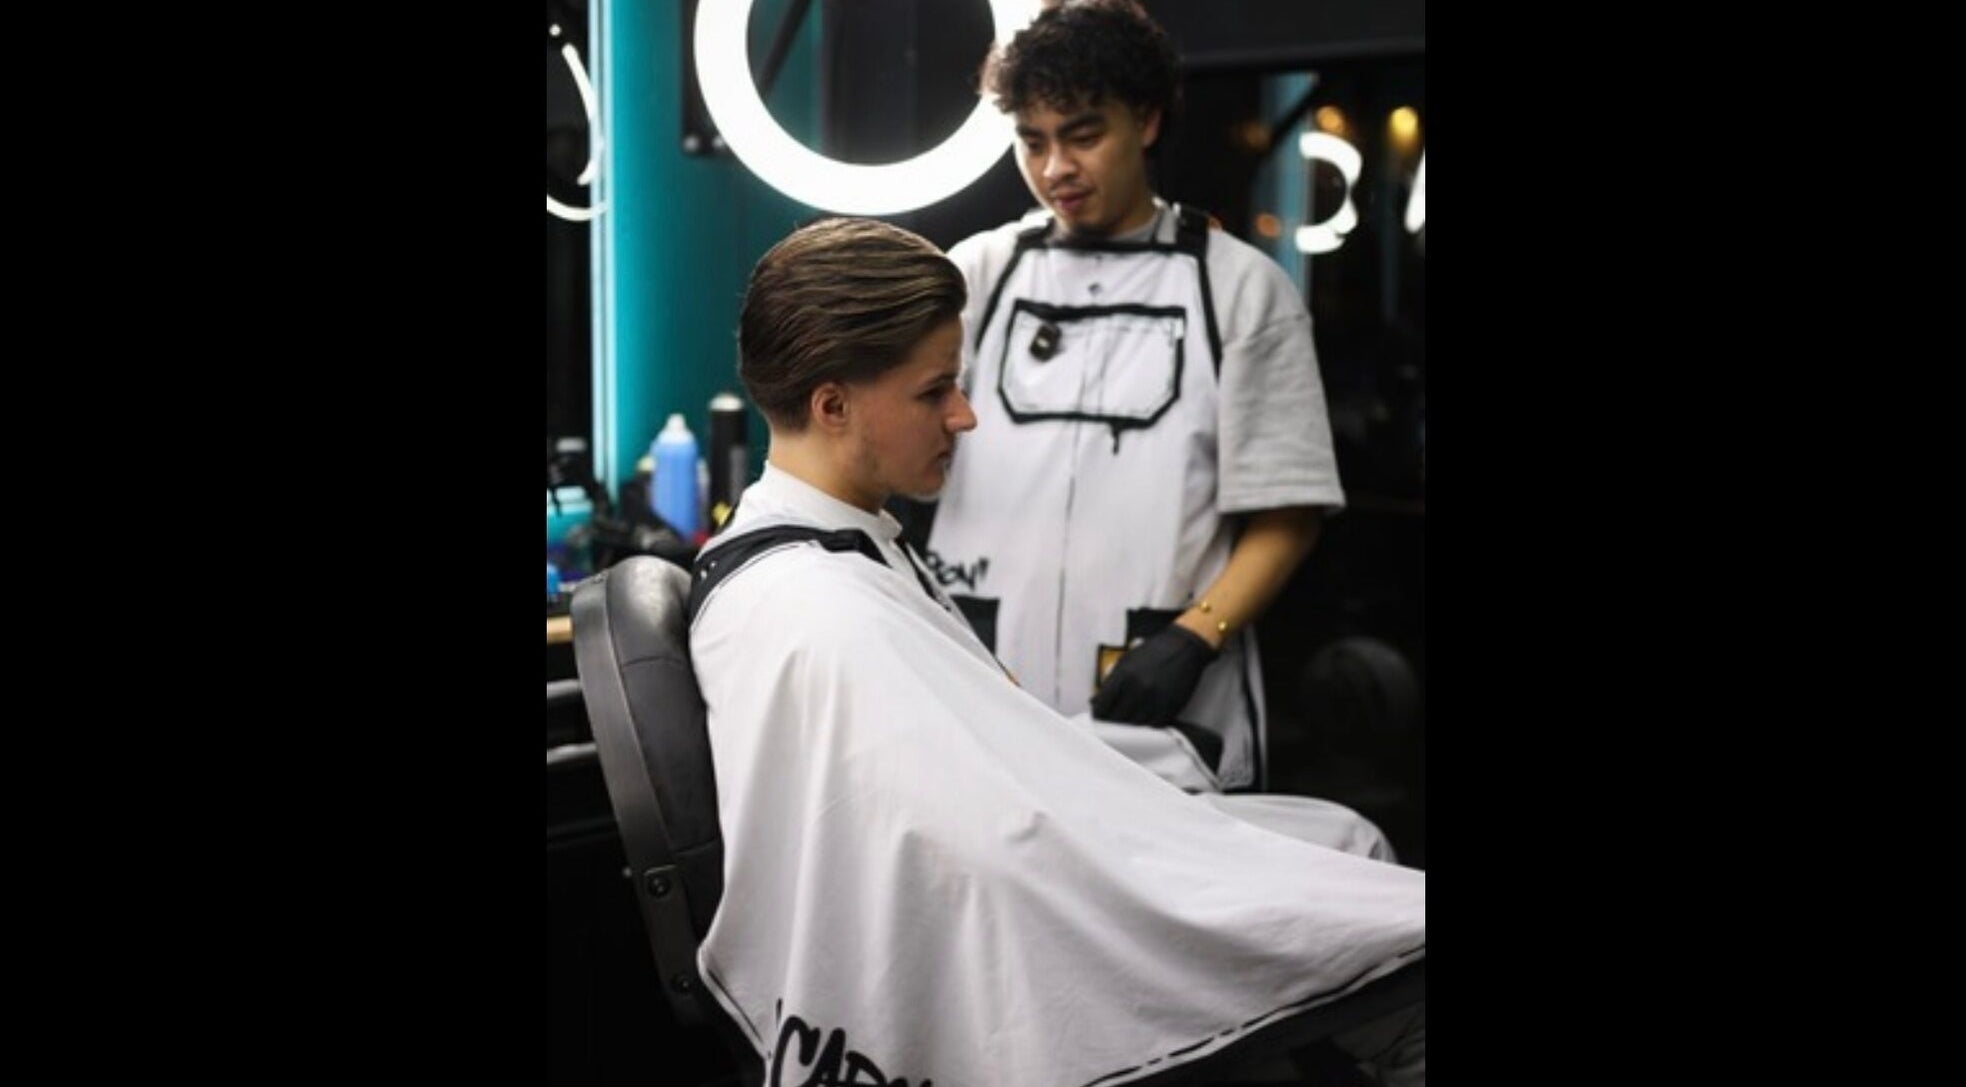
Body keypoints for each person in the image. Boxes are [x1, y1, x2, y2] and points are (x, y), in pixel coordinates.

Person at [688, 216, 1423, 1087]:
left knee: (1345, 843)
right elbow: (980, 856)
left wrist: (1128, 772)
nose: (965, 415)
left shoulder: (847, 549)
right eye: (934, 391)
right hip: (1041, 893)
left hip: (1052, 844)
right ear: (833, 405)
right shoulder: (822, 609)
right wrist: (1137, 839)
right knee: (1377, 921)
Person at [925, 0, 1346, 802]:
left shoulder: (1240, 287)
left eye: (1083, 136)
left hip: (1166, 707)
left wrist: (1195, 636)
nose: (1056, 168)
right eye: (1033, 141)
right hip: (989, 689)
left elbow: (1288, 512)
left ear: (1146, 121)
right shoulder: (977, 275)